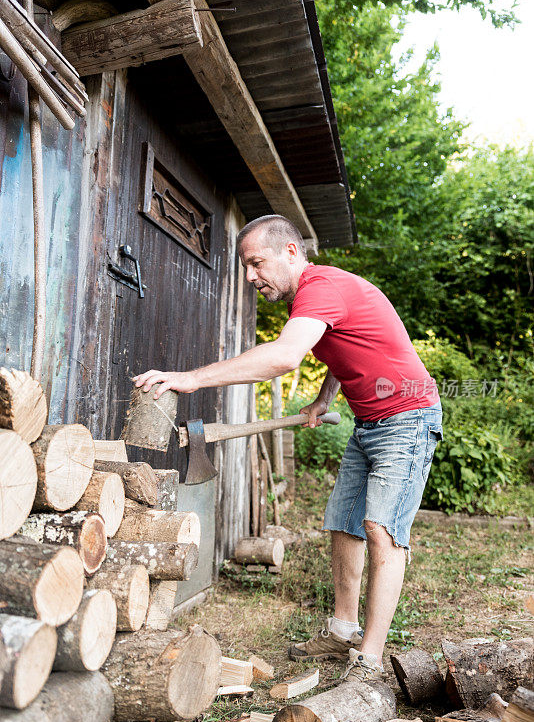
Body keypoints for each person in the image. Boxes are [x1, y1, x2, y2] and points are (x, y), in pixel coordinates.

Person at [134, 214, 443, 682]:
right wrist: (323, 398)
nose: (250, 276)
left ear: (291, 253)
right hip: (370, 421)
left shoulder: (321, 287)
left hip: (408, 419)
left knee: (381, 528)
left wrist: (189, 379)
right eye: (245, 266)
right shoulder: (315, 296)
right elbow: (346, 346)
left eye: (256, 263)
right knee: (344, 522)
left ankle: (370, 659)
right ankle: (342, 631)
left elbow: (282, 357)